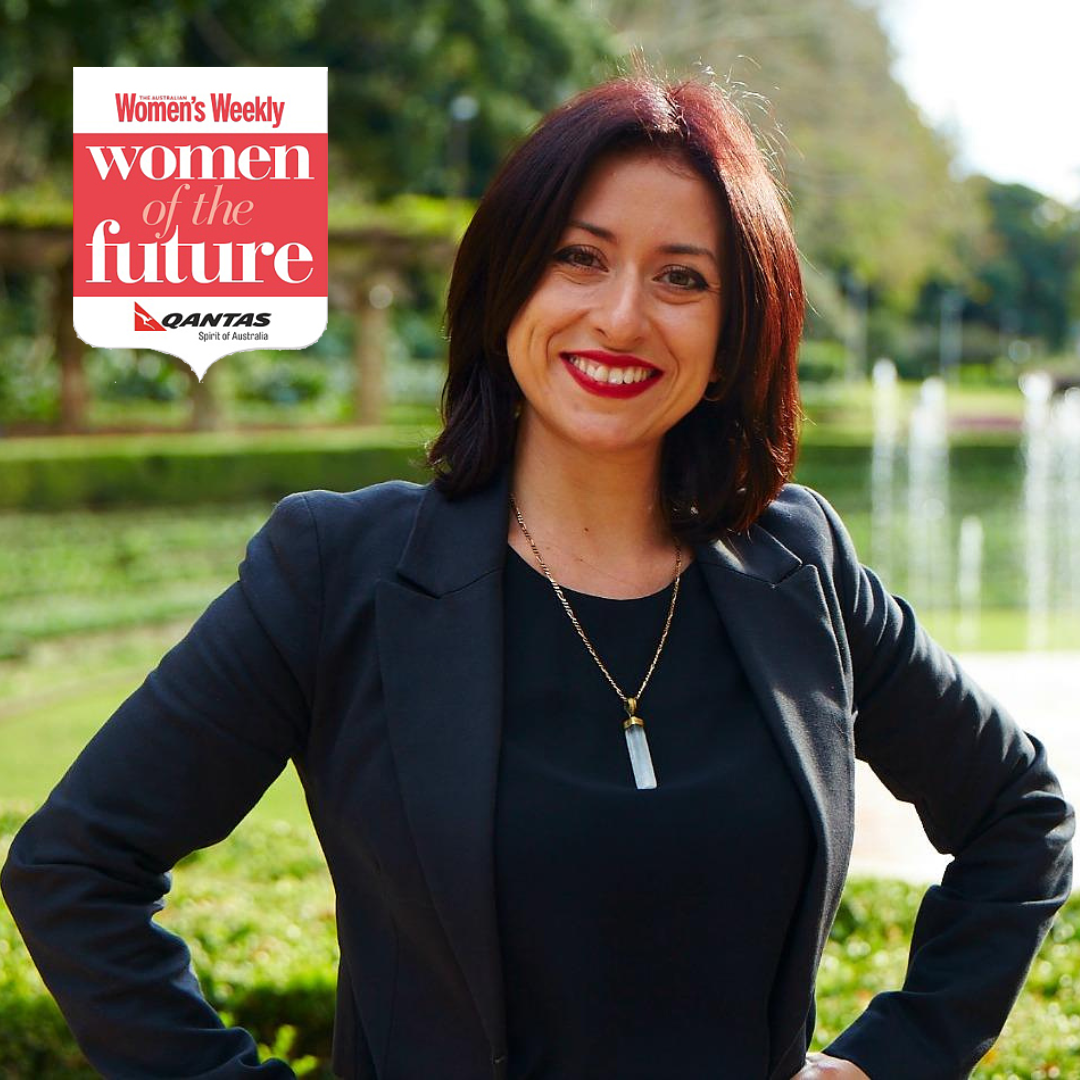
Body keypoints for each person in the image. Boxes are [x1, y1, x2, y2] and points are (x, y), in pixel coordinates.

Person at [2, 73, 1074, 1080]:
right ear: (509, 277)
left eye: (682, 278)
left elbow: (1021, 812)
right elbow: (73, 868)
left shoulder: (799, 564)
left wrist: (904, 1053)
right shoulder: (340, 571)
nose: (620, 317)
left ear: (737, 323)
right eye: (579, 256)